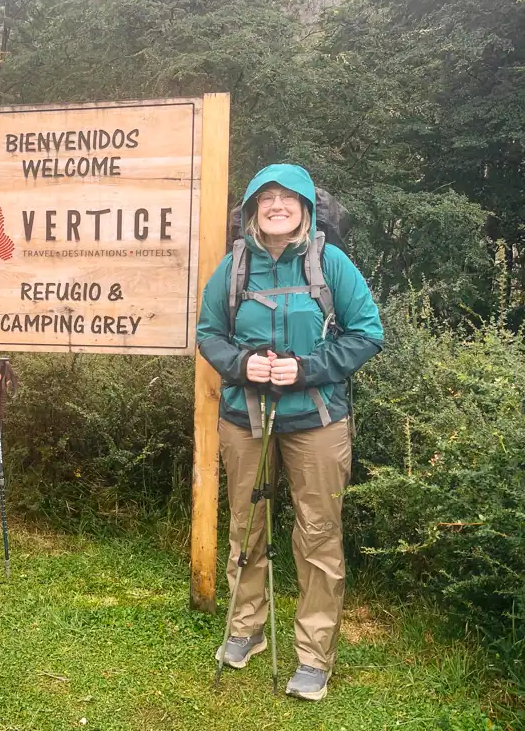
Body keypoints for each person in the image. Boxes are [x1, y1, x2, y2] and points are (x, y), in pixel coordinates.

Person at [196, 164, 383, 701]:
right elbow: (209, 334)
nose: (277, 205)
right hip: (244, 418)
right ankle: (246, 629)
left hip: (318, 420)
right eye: (266, 198)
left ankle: (314, 654)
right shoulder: (233, 267)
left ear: (305, 207)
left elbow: (367, 332)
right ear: (252, 210)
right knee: (246, 525)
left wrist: (308, 368)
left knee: (318, 533)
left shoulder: (330, 263)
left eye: (288, 197)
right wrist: (242, 363)